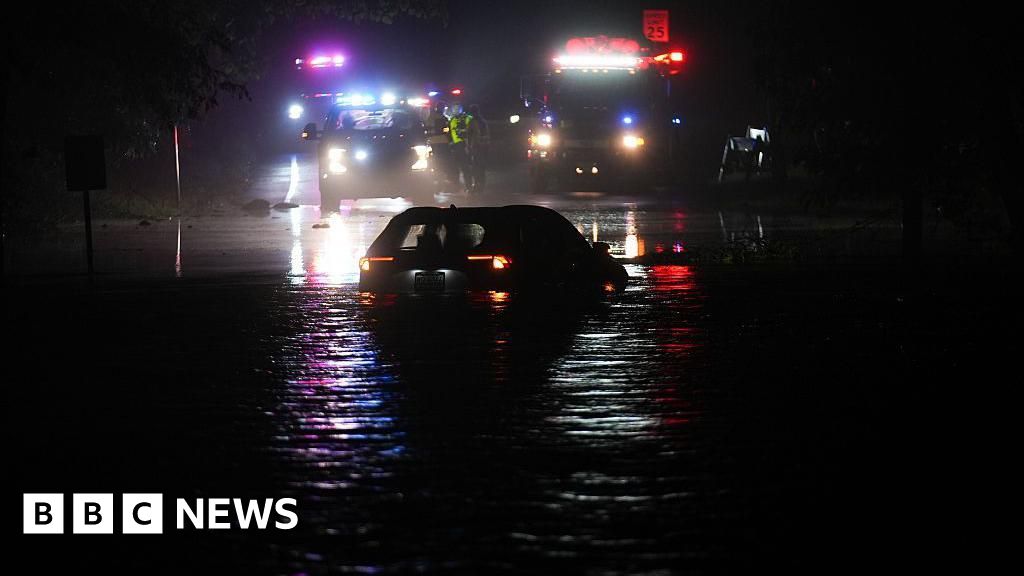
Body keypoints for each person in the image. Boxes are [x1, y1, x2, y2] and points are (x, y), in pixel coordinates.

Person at [448, 104, 473, 192]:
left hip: (463, 144)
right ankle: (456, 186)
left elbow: (471, 130)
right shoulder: (452, 119)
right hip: (455, 146)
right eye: (454, 109)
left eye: (457, 109)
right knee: (454, 167)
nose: (455, 110)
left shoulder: (467, 118)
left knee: (465, 167)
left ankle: (469, 186)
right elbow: (450, 131)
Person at [466, 104, 490, 193]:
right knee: (481, 167)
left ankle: (477, 185)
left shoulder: (472, 122)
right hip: (484, 147)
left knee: (476, 167)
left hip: (477, 147)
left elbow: (469, 135)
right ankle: (481, 185)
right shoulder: (483, 122)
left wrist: (468, 147)